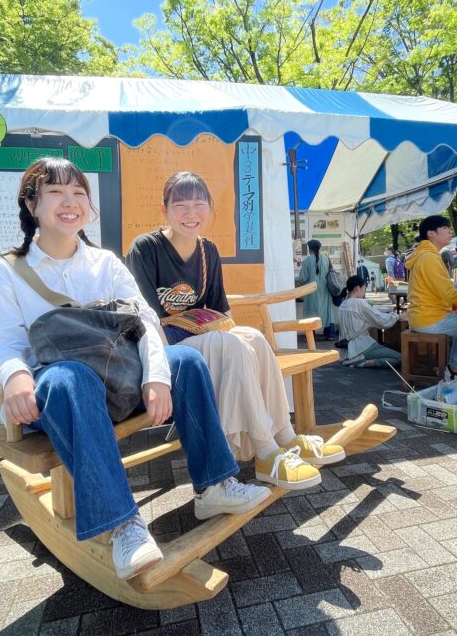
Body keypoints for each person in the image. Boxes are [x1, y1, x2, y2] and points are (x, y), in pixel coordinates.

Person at [0, 158, 271, 581]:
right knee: (70, 376)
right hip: (61, 397)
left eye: (79, 193)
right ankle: (123, 525)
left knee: (186, 359)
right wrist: (15, 375)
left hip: (119, 382)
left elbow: (146, 322)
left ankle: (215, 485)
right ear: (31, 203)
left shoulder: (106, 264)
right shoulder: (4, 270)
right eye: (57, 193)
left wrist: (155, 375)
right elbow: (3, 342)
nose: (70, 202)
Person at [126, 171, 343, 489]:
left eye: (199, 204)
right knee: (232, 345)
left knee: (252, 337)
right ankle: (265, 451)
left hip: (201, 338)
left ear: (210, 208)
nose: (190, 213)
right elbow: (145, 319)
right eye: (181, 205)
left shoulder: (207, 251)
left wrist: (228, 335)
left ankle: (286, 436)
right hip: (164, 348)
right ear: (165, 209)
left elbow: (220, 312)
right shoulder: (145, 248)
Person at [405, 215, 457, 376]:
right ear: (431, 233)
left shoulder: (426, 254)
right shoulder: (429, 257)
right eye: (445, 228)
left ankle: (455, 366)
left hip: (425, 316)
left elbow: (443, 293)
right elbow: (448, 293)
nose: (450, 232)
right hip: (429, 319)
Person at [337, 276, 401, 368]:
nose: (364, 291)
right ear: (357, 288)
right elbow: (381, 320)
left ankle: (357, 359)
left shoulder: (343, 304)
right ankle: (363, 362)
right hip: (361, 346)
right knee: (400, 358)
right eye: (364, 288)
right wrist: (396, 316)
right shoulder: (360, 303)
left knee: (383, 349)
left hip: (345, 350)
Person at [299, 239, 337, 340]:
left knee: (310, 312)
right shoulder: (326, 259)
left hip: (311, 292)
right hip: (325, 291)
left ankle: (311, 336)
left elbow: (302, 278)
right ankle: (330, 334)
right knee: (328, 312)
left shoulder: (307, 261)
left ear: (309, 248)